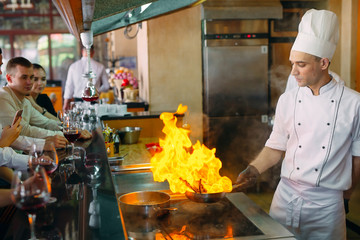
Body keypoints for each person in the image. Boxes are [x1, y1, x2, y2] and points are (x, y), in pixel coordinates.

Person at [234, 9, 360, 239]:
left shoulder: (354, 103)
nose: (293, 72)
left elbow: (357, 158)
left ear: (323, 62)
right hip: (285, 199)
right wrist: (253, 169)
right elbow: (276, 145)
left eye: (300, 65)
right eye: (292, 63)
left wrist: (347, 197)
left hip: (326, 208)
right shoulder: (289, 99)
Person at [63, 45, 110, 111]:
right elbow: (107, 86)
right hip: (93, 103)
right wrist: (98, 91)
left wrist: (66, 103)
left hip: (78, 103)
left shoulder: (73, 66)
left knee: (78, 120)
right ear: (93, 52)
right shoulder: (100, 66)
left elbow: (69, 86)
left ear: (82, 51)